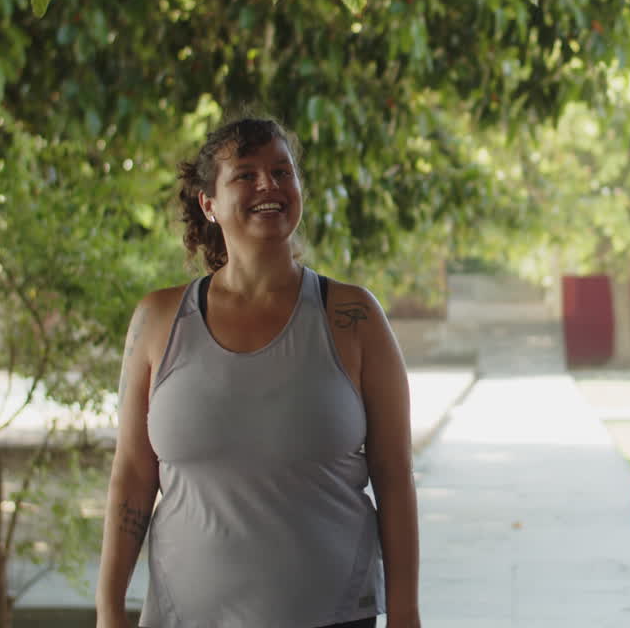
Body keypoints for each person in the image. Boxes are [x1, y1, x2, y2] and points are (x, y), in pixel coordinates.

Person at [95, 117, 420, 628]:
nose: (268, 185)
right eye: (245, 175)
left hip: (331, 614)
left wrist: (405, 611)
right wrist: (109, 609)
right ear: (209, 203)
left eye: (281, 171)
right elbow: (134, 474)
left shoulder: (353, 317)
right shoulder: (158, 321)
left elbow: (395, 475)